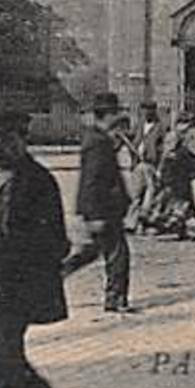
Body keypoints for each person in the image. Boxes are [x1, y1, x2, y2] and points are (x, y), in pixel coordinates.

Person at [0, 107, 75, 388]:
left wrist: (28, 266)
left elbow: (57, 240)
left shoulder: (38, 181)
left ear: (19, 141)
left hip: (15, 284)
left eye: (2, 141)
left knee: (6, 354)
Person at [61, 91, 133, 312]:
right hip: (103, 211)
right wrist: (94, 215)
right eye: (115, 113)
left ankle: (55, 274)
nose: (118, 117)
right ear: (108, 115)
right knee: (118, 255)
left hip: (103, 209)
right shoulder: (97, 143)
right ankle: (115, 299)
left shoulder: (99, 140)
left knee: (91, 252)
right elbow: (91, 181)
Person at [149, 115, 195, 239]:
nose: (187, 128)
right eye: (185, 124)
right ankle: (166, 226)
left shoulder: (182, 137)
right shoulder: (173, 136)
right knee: (176, 201)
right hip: (173, 173)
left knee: (183, 201)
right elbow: (167, 155)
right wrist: (160, 171)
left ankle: (182, 230)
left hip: (181, 173)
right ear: (179, 124)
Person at [133, 101, 167, 232]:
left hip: (151, 164)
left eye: (149, 110)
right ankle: (134, 223)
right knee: (137, 194)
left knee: (151, 193)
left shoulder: (160, 128)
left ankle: (146, 221)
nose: (146, 113)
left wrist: (160, 168)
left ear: (154, 111)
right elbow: (133, 139)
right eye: (143, 110)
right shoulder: (139, 126)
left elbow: (163, 149)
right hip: (137, 164)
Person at [111, 113, 145, 230]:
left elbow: (134, 149)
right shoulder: (116, 140)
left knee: (134, 196)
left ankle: (132, 222)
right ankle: (129, 221)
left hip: (129, 170)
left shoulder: (128, 139)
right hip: (121, 170)